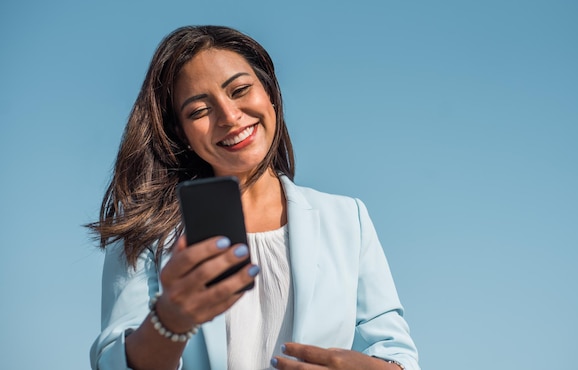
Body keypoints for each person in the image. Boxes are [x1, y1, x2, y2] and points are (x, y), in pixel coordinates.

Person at [88, 25, 419, 370]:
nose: (229, 117)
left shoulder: (348, 218)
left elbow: (397, 354)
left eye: (241, 90)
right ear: (180, 133)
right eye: (199, 111)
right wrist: (170, 320)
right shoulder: (146, 233)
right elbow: (113, 363)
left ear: (270, 93)